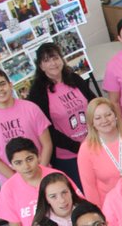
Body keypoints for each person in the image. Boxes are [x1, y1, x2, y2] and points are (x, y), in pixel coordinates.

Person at [27, 42, 94, 185]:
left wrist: (94, 136)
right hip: (67, 156)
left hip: (94, 144)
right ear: (40, 66)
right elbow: (47, 130)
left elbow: (95, 104)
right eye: (46, 60)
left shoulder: (75, 79)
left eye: (55, 58)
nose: (53, 63)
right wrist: (77, 146)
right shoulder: (38, 93)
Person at [0, 66, 52, 186]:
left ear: (10, 85)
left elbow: (47, 144)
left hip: (43, 175)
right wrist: (21, 182)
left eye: (2, 84)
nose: (0, 89)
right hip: (11, 181)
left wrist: (39, 173)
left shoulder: (31, 108)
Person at [77, 97, 122, 205]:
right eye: (98, 118)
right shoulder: (86, 150)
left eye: (108, 115)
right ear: (91, 122)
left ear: (115, 115)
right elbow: (90, 189)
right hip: (112, 206)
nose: (105, 120)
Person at [0, 138, 61, 226]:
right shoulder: (8, 190)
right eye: (18, 163)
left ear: (38, 157)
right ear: (11, 165)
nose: (26, 166)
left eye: (30, 159)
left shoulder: (57, 177)